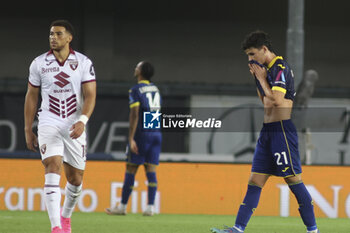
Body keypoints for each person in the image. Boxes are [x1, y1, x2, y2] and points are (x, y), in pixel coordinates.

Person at [211, 31, 319, 233]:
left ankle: (313, 230)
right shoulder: (265, 70)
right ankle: (238, 228)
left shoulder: (280, 67)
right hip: (267, 132)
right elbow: (265, 102)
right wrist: (258, 79)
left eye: (252, 54)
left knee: (293, 179)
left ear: (264, 49)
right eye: (248, 56)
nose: (250, 59)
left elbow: (277, 101)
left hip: (282, 132)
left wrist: (261, 79)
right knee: (255, 180)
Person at [24, 20, 96, 233]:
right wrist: (29, 128)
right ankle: (56, 227)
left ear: (69, 38)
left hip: (74, 122)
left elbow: (91, 95)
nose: (53, 37)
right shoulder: (39, 63)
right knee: (52, 165)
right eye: (51, 34)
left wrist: (83, 121)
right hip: (49, 120)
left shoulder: (83, 62)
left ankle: (65, 217)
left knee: (75, 179)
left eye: (58, 34)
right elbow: (31, 96)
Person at [105, 61, 162, 216]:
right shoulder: (155, 89)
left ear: (141, 71)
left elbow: (135, 114)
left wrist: (131, 138)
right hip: (156, 132)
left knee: (131, 168)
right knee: (151, 169)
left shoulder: (136, 89)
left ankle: (122, 207)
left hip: (142, 134)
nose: (134, 68)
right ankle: (150, 207)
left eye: (137, 66)